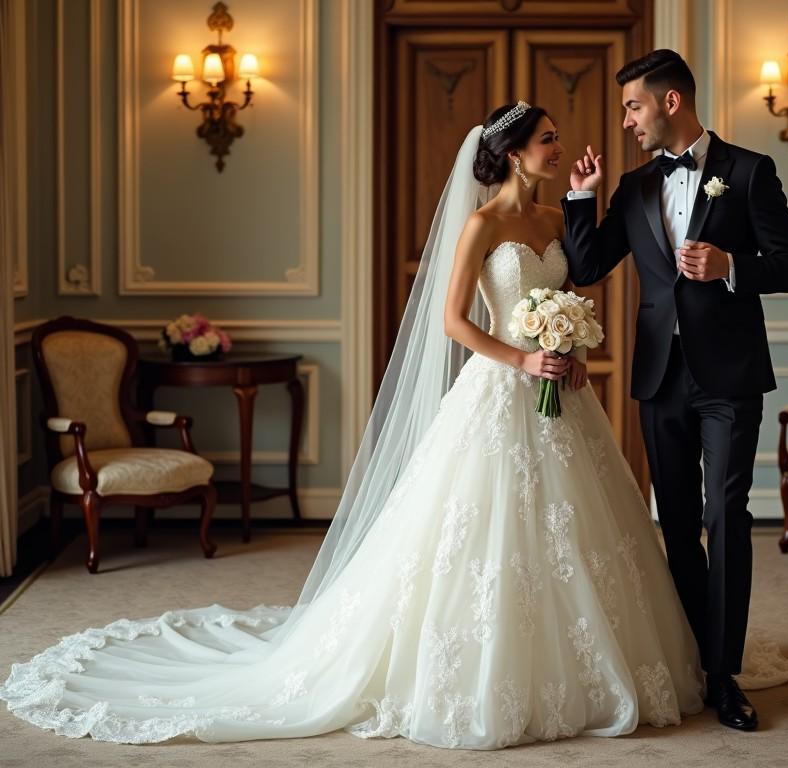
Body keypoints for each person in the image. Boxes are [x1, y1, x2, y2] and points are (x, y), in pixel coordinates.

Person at [0, 103, 716, 750]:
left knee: (580, 532)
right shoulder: (482, 225)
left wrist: (568, 352)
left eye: (556, 138)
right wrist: (524, 358)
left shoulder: (559, 220)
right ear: (513, 152)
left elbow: (571, 288)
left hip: (558, 393)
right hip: (499, 390)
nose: (560, 148)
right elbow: (455, 321)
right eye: (548, 140)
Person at [561, 49, 788, 731]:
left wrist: (732, 265)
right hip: (659, 379)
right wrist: (582, 197)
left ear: (670, 102)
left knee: (725, 515)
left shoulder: (750, 172)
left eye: (633, 107)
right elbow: (585, 266)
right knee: (674, 521)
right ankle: (696, 657)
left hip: (730, 375)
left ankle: (726, 676)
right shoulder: (636, 186)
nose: (627, 121)